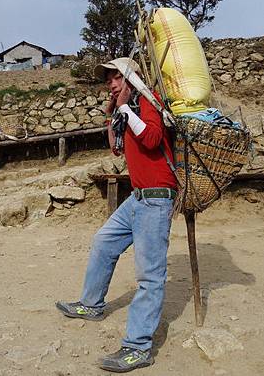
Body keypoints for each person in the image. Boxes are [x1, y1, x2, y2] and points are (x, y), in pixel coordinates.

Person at [56, 57, 177, 373]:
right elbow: (117, 148)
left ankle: (139, 348)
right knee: (104, 242)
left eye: (115, 78)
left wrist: (125, 107)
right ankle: (92, 304)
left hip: (156, 199)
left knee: (149, 276)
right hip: (137, 198)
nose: (110, 83)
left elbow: (151, 138)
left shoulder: (151, 100)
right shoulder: (130, 109)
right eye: (107, 79)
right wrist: (115, 111)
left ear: (133, 77)